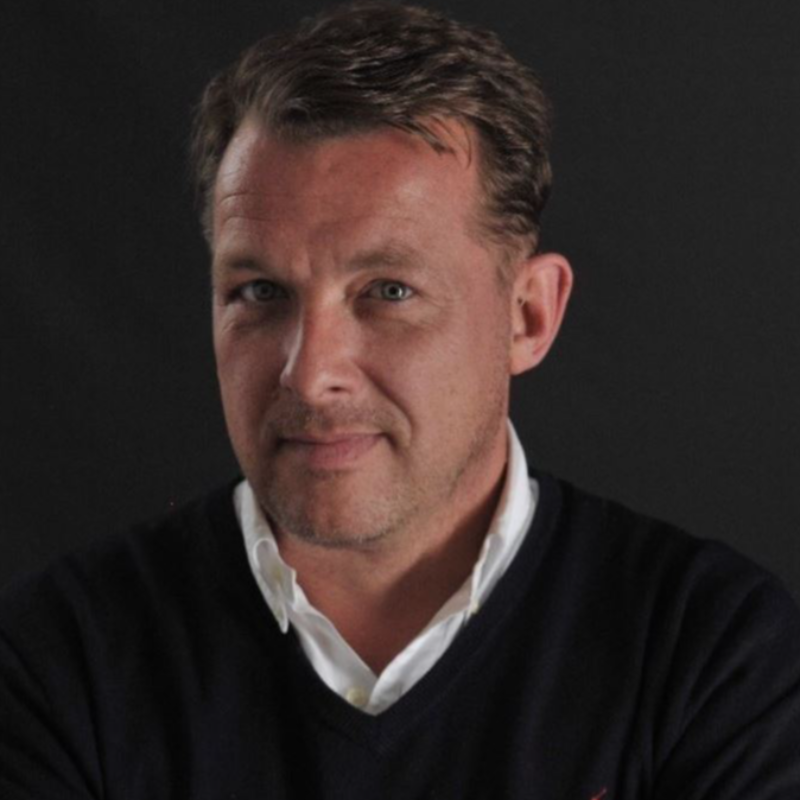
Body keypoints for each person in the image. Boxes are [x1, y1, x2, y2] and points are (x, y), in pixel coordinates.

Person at [1, 2, 799, 797]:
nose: (310, 375)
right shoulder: (60, 660)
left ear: (528, 316)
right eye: (260, 292)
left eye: (388, 291)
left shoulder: (712, 654)